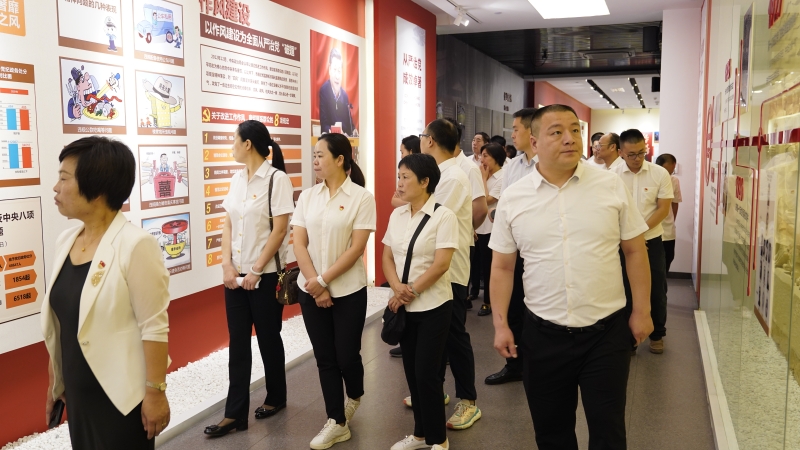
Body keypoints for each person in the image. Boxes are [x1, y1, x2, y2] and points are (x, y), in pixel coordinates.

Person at [489, 105, 654, 450]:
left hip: (606, 334)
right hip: (542, 335)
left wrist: (642, 310)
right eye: (557, 132)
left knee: (609, 432)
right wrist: (501, 324)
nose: (570, 139)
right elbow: (503, 267)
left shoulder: (610, 185)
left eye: (575, 130)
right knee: (552, 433)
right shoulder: (514, 198)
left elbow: (635, 251)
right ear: (534, 142)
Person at [42, 136, 171, 449]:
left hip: (120, 398)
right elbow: (63, 324)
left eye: (64, 179)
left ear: (97, 188)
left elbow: (154, 326)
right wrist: (56, 379)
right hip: (78, 393)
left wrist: (155, 393)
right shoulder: (66, 241)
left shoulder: (135, 244)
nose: (56, 188)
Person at [204, 121, 293, 437]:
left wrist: (255, 270)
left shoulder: (277, 179)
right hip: (235, 278)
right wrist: (226, 265)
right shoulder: (236, 179)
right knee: (238, 344)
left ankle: (276, 397)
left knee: (269, 338)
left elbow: (279, 230)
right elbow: (228, 224)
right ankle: (235, 414)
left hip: (265, 277)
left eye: (234, 140)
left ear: (248, 145)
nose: (231, 145)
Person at [291, 133, 376, 449]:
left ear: (340, 159)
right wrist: (315, 284)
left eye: (320, 155)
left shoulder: (361, 198)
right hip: (310, 289)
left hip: (349, 290)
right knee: (325, 357)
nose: (315, 161)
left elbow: (356, 249)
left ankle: (355, 393)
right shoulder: (307, 197)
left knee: (347, 355)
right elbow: (299, 244)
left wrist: (324, 281)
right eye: (313, 155)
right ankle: (336, 421)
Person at [384, 153, 458, 450]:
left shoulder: (443, 216)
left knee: (427, 374)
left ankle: (439, 440)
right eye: (398, 176)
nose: (399, 183)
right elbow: (387, 256)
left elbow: (441, 264)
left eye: (406, 177)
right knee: (412, 374)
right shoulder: (397, 215)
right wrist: (395, 288)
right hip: (405, 306)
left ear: (425, 181)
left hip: (434, 306)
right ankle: (419, 435)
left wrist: (409, 291)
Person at [420, 119, 481, 430]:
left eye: (422, 136)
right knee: (439, 334)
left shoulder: (453, 177)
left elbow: (429, 215)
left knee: (455, 335)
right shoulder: (442, 173)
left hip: (451, 269)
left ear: (430, 140)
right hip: (436, 267)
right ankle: (438, 390)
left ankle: (468, 401)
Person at [485, 107, 537, 386]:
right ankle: (514, 364)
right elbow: (505, 203)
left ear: (532, 131)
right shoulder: (513, 166)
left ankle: (536, 364)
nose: (512, 134)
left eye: (516, 129)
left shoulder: (547, 164)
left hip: (538, 250)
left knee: (537, 310)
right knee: (514, 306)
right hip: (513, 249)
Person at [613, 129, 673, 355]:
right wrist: (628, 236)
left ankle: (657, 334)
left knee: (656, 289)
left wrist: (639, 233)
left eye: (641, 152)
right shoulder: (612, 175)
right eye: (631, 154)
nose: (637, 158)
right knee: (624, 289)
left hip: (651, 239)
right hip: (621, 242)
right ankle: (630, 337)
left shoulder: (659, 173)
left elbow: (663, 209)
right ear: (620, 152)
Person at [476, 143, 505, 317]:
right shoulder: (482, 175)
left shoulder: (502, 177)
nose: (482, 159)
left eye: (486, 156)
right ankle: (474, 295)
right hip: (479, 226)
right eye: (481, 155)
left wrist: (483, 178)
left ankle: (488, 301)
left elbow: (486, 199)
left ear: (497, 158)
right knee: (477, 265)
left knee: (489, 268)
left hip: (492, 228)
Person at [319, 48, 355, 136]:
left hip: (344, 139)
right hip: (331, 139)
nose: (337, 76)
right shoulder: (324, 91)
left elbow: (349, 123)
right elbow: (324, 125)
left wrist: (353, 130)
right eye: (335, 70)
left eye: (339, 71)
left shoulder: (344, 95)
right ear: (329, 69)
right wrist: (337, 131)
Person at [656, 154, 681, 273]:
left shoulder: (674, 180)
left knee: (668, 258)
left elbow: (675, 203)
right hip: (650, 229)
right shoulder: (650, 179)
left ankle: (663, 284)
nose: (668, 174)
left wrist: (672, 220)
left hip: (668, 229)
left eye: (670, 171)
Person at [391, 135, 422, 209]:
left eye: (402, 152)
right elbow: (394, 200)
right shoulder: (403, 169)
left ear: (411, 152)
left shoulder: (422, 170)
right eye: (400, 177)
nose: (401, 156)